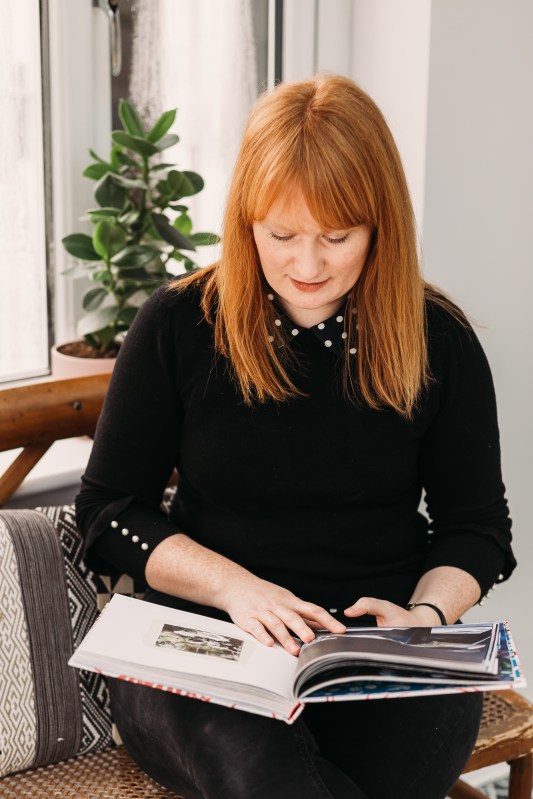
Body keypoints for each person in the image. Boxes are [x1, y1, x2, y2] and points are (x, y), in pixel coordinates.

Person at [76, 74, 516, 799]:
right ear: (245, 220)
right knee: (265, 778)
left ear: (381, 225)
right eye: (280, 235)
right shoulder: (178, 326)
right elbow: (109, 510)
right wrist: (235, 588)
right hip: (205, 646)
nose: (307, 267)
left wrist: (423, 617)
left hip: (379, 652)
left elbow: (475, 527)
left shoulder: (439, 339)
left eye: (337, 237)